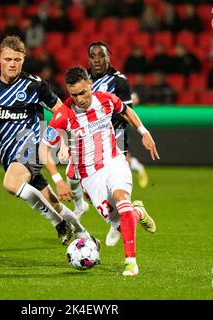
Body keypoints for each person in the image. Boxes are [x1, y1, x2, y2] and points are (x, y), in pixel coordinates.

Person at [0, 36, 97, 246]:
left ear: (23, 59)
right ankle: (87, 237)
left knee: (11, 183)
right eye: (8, 59)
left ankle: (59, 224)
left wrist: (62, 142)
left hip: (34, 145)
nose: (12, 64)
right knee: (52, 201)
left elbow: (62, 111)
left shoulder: (35, 85)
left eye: (17, 59)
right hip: (10, 156)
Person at [39, 66, 159, 276]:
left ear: (90, 85)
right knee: (123, 225)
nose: (80, 99)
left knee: (122, 201)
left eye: (83, 92)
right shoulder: (63, 115)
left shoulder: (106, 100)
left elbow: (126, 111)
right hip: (90, 177)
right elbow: (43, 149)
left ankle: (131, 262)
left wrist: (144, 131)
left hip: (113, 162)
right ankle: (138, 210)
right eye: (74, 94)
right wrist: (58, 180)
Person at [64, 42, 150, 245]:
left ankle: (117, 222)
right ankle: (82, 206)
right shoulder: (83, 80)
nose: (96, 59)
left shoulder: (119, 82)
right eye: (92, 55)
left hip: (114, 134)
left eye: (101, 55)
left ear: (108, 57)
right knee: (74, 175)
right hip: (86, 136)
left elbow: (124, 112)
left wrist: (140, 133)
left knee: (115, 184)